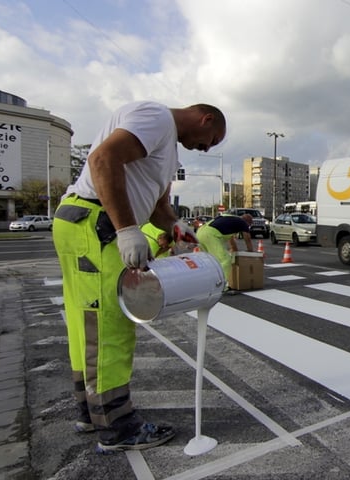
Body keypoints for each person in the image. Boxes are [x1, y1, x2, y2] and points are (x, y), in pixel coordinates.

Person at [52, 101, 226, 452]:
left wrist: (176, 226)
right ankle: (117, 427)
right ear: (204, 118)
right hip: (96, 223)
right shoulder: (156, 118)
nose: (204, 148)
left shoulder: (166, 152)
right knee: (112, 325)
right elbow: (102, 159)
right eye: (210, 140)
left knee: (85, 321)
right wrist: (127, 230)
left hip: (80, 222)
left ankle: (91, 410)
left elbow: (159, 207)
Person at [195, 213, 255, 288]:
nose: (248, 227)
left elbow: (231, 241)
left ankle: (204, 283)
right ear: (248, 222)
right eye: (249, 225)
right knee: (226, 260)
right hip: (210, 235)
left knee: (210, 262)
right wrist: (251, 253)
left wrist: (235, 252)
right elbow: (247, 238)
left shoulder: (231, 219)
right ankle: (222, 287)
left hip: (200, 233)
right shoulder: (242, 222)